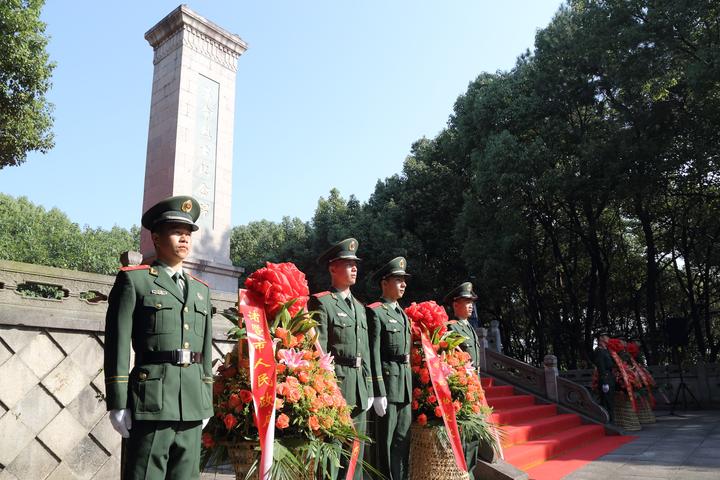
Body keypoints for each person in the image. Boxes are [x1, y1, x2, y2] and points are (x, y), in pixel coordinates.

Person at [104, 195, 214, 480]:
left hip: (191, 403)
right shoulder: (135, 280)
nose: (184, 239)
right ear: (156, 237)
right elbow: (117, 344)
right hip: (151, 401)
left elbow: (204, 352)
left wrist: (206, 402)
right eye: (176, 232)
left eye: (188, 233)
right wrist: (117, 401)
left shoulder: (201, 290)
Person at [308, 238, 382, 480]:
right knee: (334, 453)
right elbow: (318, 351)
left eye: (355, 264)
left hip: (360, 387)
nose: (354, 268)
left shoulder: (361, 308)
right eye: (348, 263)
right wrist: (325, 390)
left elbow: (367, 352)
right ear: (332, 268)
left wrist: (370, 387)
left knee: (355, 454)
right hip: (337, 386)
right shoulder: (323, 302)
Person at [366, 257, 412, 480]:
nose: (403, 284)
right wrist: (377, 390)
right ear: (384, 283)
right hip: (388, 385)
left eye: (404, 280)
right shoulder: (376, 312)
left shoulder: (403, 315)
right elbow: (373, 352)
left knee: (403, 440)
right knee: (384, 443)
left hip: (404, 386)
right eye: (398, 280)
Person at [443, 281, 481, 479]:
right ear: (455, 304)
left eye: (471, 302)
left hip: (475, 387)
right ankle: (462, 473)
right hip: (462, 389)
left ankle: (470, 472)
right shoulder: (452, 328)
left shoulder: (471, 328)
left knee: (474, 435)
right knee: (464, 435)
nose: (470, 305)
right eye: (466, 301)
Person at [592, 332, 615, 423]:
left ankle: (611, 420)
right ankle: (608, 422)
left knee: (611, 401)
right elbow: (601, 366)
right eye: (606, 336)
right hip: (605, 377)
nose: (608, 338)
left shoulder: (606, 350)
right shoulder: (599, 351)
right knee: (607, 401)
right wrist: (604, 381)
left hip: (610, 376)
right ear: (601, 338)